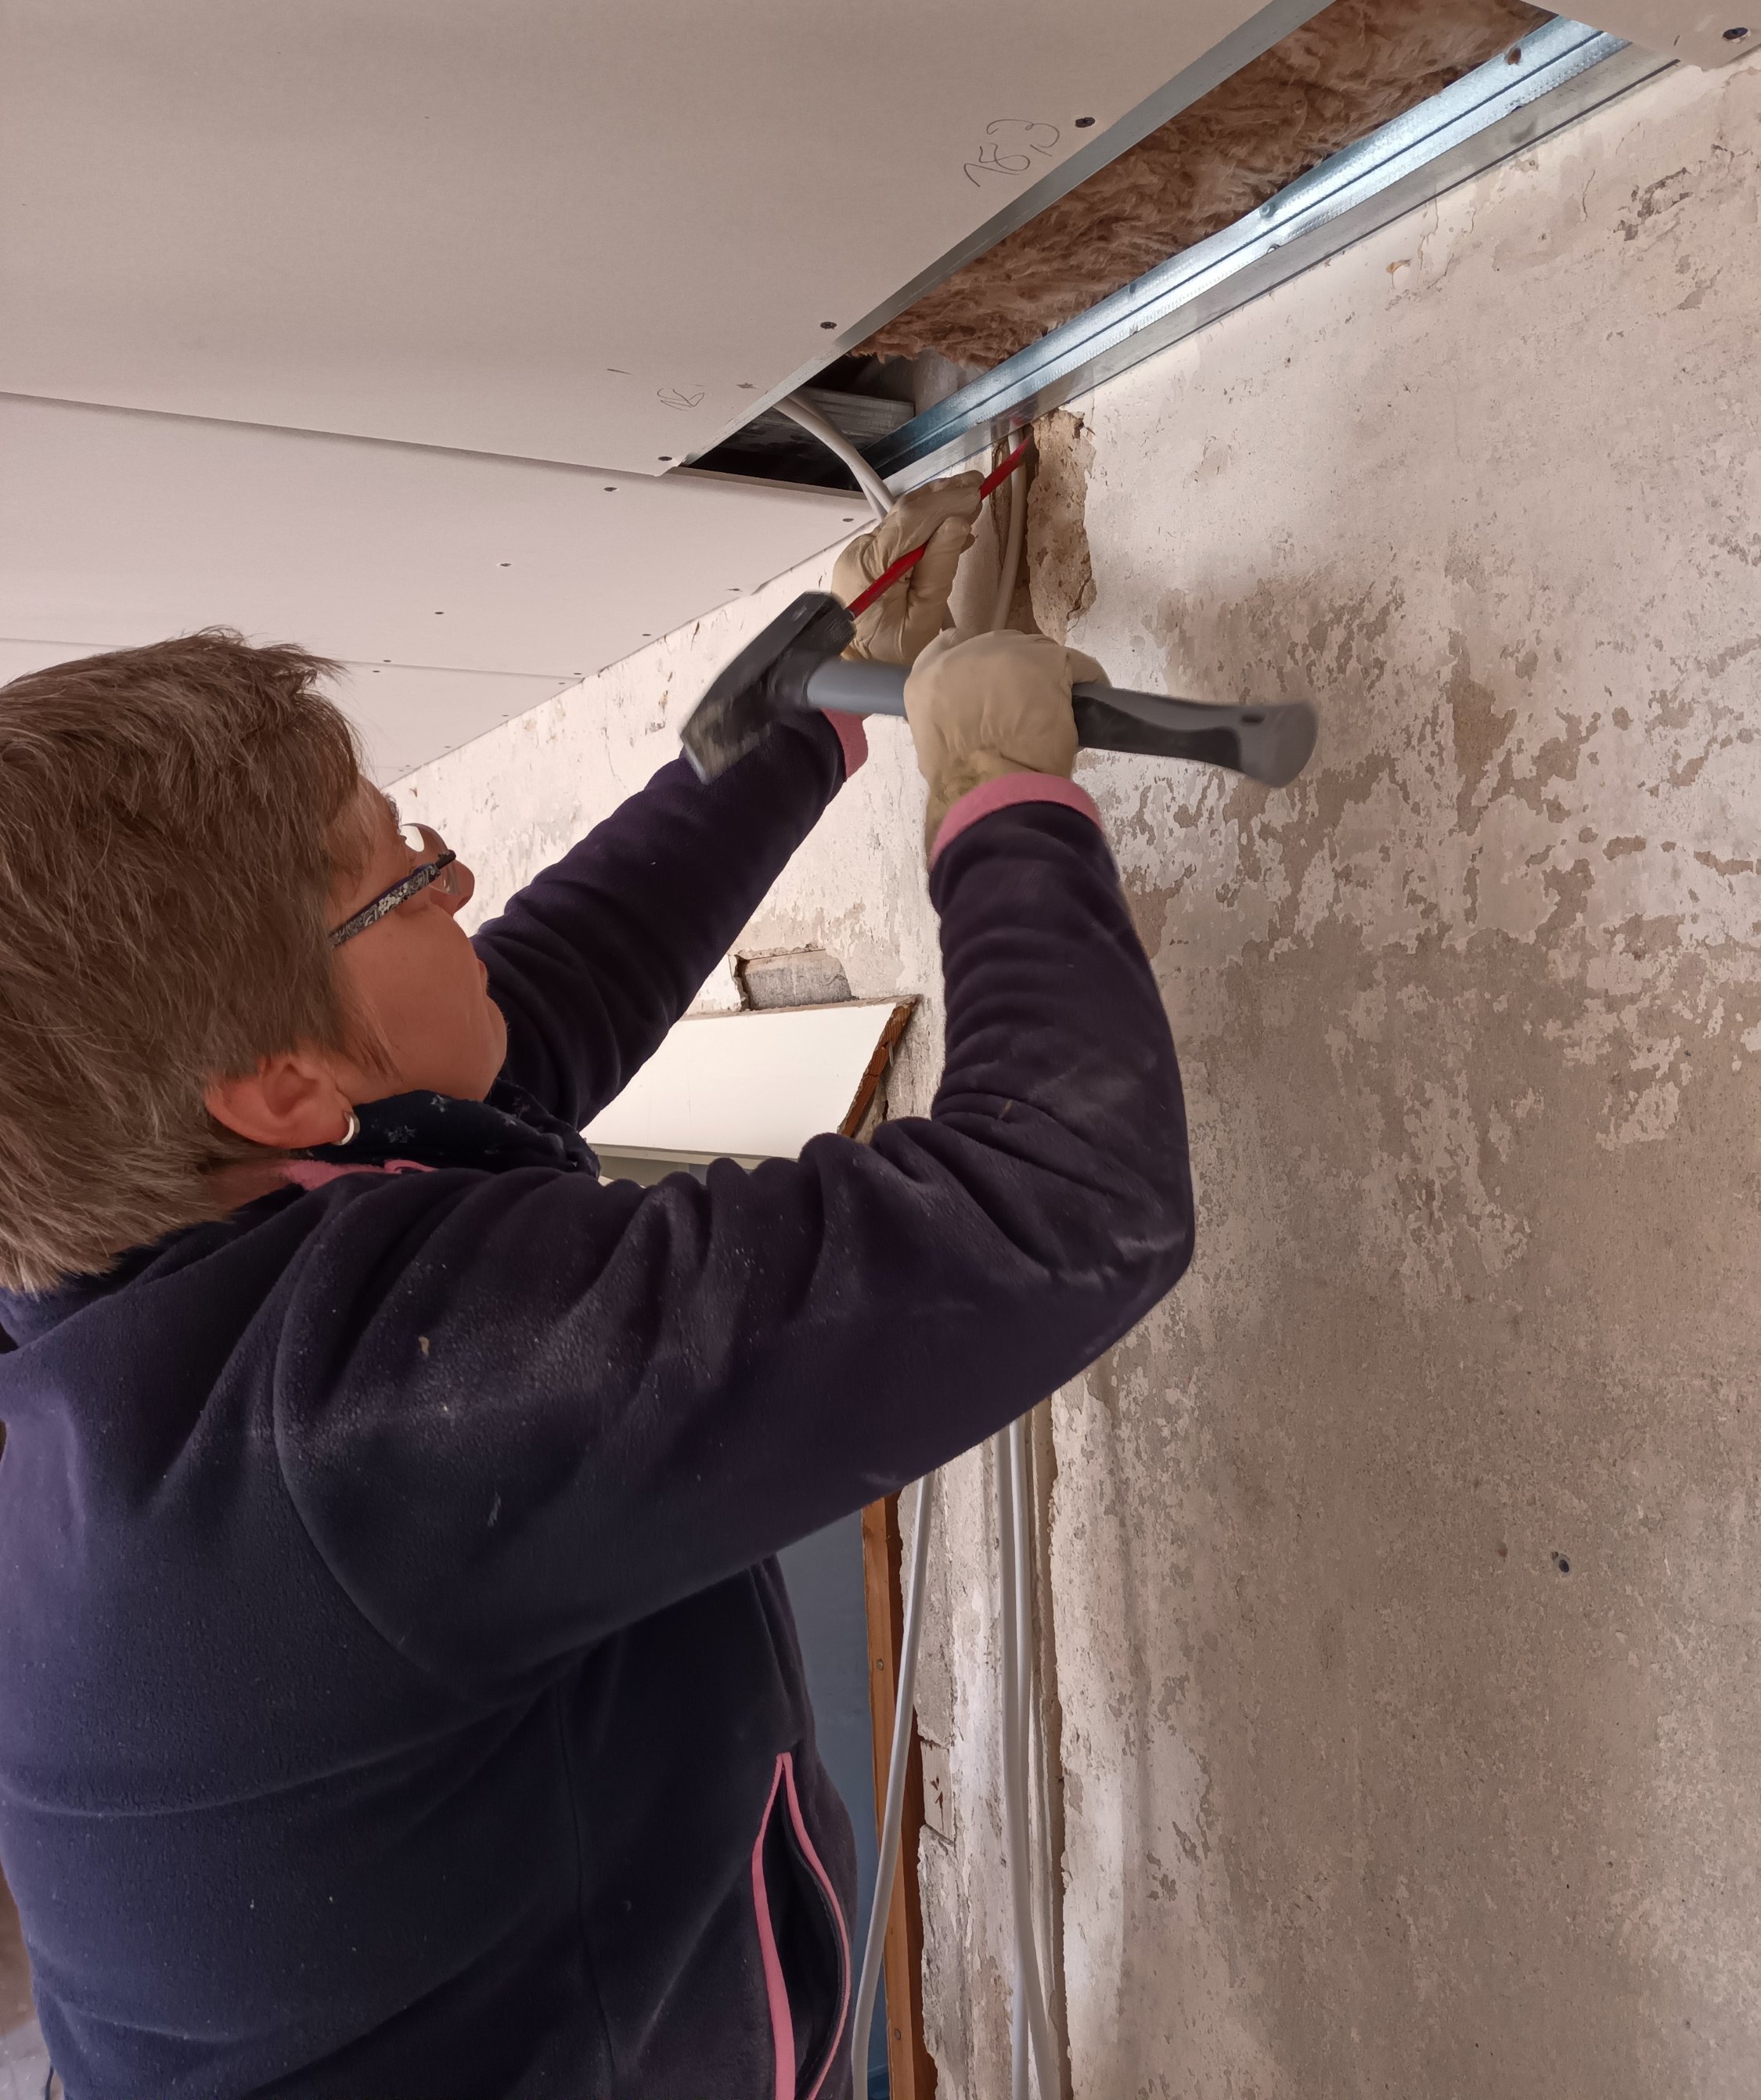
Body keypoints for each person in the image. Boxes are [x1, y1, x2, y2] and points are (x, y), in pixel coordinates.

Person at [0, 482, 1193, 2099]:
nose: (458, 881)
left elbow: (502, 1042)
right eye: (402, 878)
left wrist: (801, 726)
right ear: (275, 1083)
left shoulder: (135, 1293)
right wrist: (1005, 808)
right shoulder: (354, 1426)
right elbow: (1054, 1206)